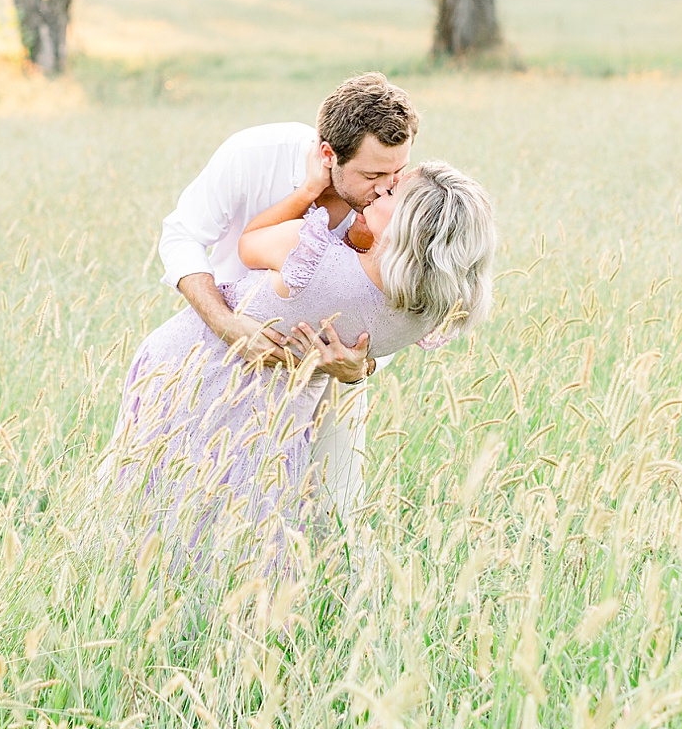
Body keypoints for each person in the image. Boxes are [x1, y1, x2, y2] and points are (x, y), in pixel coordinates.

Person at [104, 157, 498, 580]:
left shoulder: (311, 260)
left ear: (408, 227)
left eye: (391, 192)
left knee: (152, 498)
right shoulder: (429, 310)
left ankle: (126, 584)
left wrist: (307, 193)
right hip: (280, 417)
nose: (380, 189)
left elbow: (249, 242)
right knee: (243, 528)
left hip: (192, 370)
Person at [154, 72, 420, 529]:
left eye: (396, 172)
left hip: (330, 384)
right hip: (224, 363)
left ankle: (332, 600)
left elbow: (405, 300)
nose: (386, 187)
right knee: (204, 503)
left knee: (333, 517)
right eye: (373, 174)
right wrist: (229, 326)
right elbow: (181, 236)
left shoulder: (400, 198)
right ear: (327, 155)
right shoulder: (255, 156)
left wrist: (365, 366)